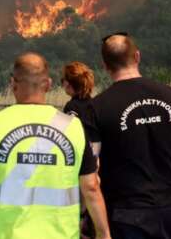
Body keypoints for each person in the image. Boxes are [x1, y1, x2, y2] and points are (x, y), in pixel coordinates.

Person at [0, 52, 111, 239]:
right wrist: (104, 234)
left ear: (13, 84)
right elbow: (91, 186)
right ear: (48, 84)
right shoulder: (72, 127)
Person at [81, 33, 171, 239]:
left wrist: (99, 229)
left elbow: (93, 171)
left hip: (126, 213)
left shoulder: (97, 108)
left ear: (105, 65)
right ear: (137, 56)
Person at [61, 61, 97, 239]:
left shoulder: (71, 108)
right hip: (98, 162)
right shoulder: (96, 104)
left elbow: (65, 138)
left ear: (68, 84)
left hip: (81, 165)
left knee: (78, 214)